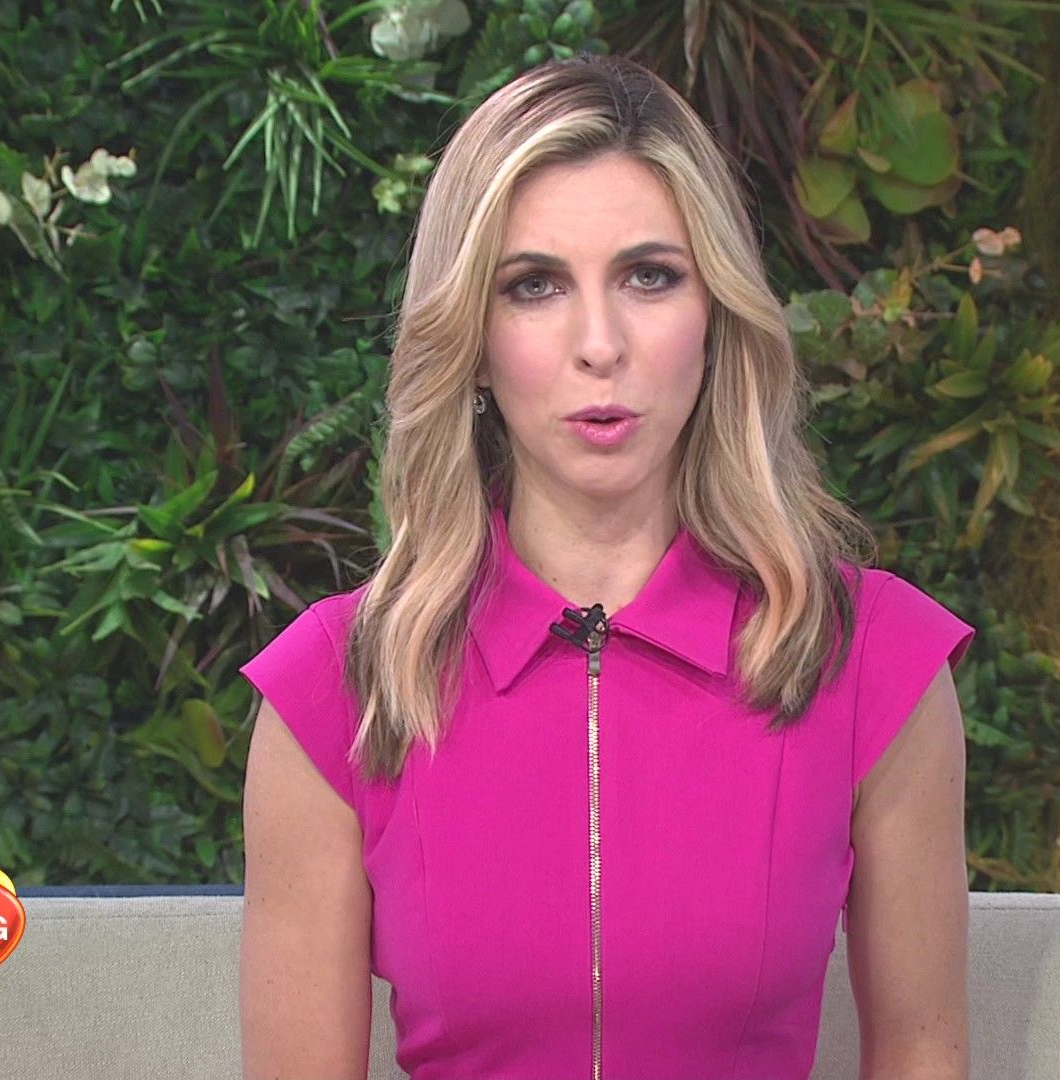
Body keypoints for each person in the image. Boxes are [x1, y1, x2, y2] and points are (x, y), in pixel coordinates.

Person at [239, 53, 976, 1080]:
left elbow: (923, 1055)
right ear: (472, 338)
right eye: (534, 286)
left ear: (716, 315)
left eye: (649, 276)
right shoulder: (333, 688)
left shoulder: (875, 662)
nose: (600, 344)